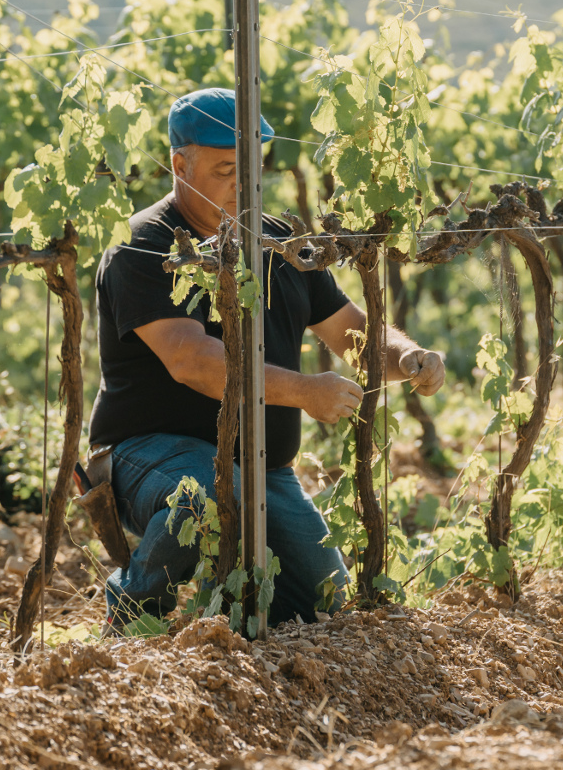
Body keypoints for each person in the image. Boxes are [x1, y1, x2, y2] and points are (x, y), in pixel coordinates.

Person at [89, 87, 446, 632]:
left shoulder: (281, 244)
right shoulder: (143, 244)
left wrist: (408, 357)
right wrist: (303, 391)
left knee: (325, 603)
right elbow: (192, 361)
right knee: (203, 497)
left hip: (261, 470)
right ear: (180, 166)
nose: (243, 183)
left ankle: (230, 632)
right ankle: (133, 619)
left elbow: (352, 331)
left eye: (252, 167)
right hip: (146, 456)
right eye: (226, 169)